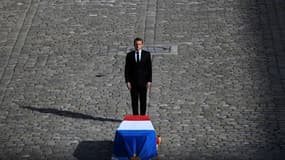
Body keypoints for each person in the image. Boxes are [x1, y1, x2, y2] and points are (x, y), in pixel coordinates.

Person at [125, 37, 152, 115]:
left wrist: (149, 80)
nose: (138, 46)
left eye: (139, 44)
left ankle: (143, 116)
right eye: (136, 44)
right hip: (133, 82)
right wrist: (127, 81)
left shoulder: (146, 54)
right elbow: (127, 69)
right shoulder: (129, 55)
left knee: (143, 100)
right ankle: (135, 117)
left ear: (142, 45)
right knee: (134, 101)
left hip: (143, 82)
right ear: (134, 45)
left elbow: (149, 68)